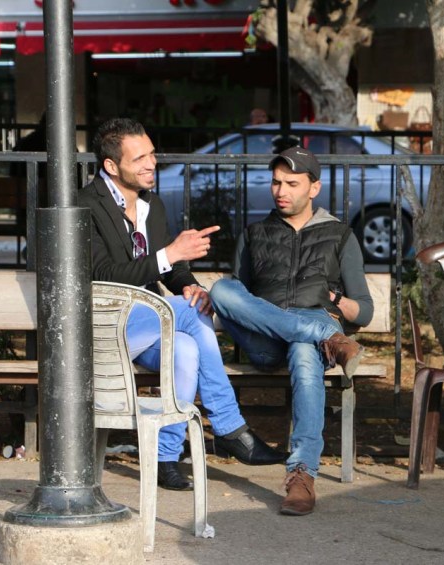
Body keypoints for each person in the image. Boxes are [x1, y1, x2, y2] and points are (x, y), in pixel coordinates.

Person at [78, 118, 287, 491]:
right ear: (111, 166)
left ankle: (164, 457)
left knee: (187, 349)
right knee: (190, 315)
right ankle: (229, 426)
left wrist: (190, 286)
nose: (151, 164)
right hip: (106, 324)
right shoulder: (85, 205)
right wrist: (170, 254)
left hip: (144, 323)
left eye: (152, 154)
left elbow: (170, 269)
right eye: (139, 158)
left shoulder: (151, 206)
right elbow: (103, 273)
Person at [209, 146, 373, 516]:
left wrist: (333, 298)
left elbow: (364, 309)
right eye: (276, 182)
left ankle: (302, 475)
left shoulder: (340, 235)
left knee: (303, 350)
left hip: (311, 336)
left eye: (292, 183)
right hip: (265, 341)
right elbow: (239, 295)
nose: (281, 190)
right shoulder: (255, 233)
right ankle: (325, 337)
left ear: (313, 188)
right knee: (221, 290)